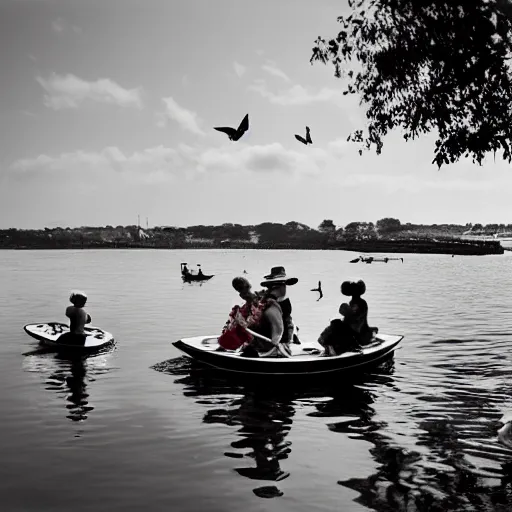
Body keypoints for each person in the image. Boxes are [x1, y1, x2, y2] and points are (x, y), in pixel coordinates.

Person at [318, 280, 377, 356]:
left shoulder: (361, 303)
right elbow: (350, 317)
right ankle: (329, 346)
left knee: (336, 325)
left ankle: (332, 347)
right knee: (336, 323)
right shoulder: (353, 302)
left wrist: (345, 316)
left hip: (357, 331)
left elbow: (355, 319)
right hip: (353, 329)